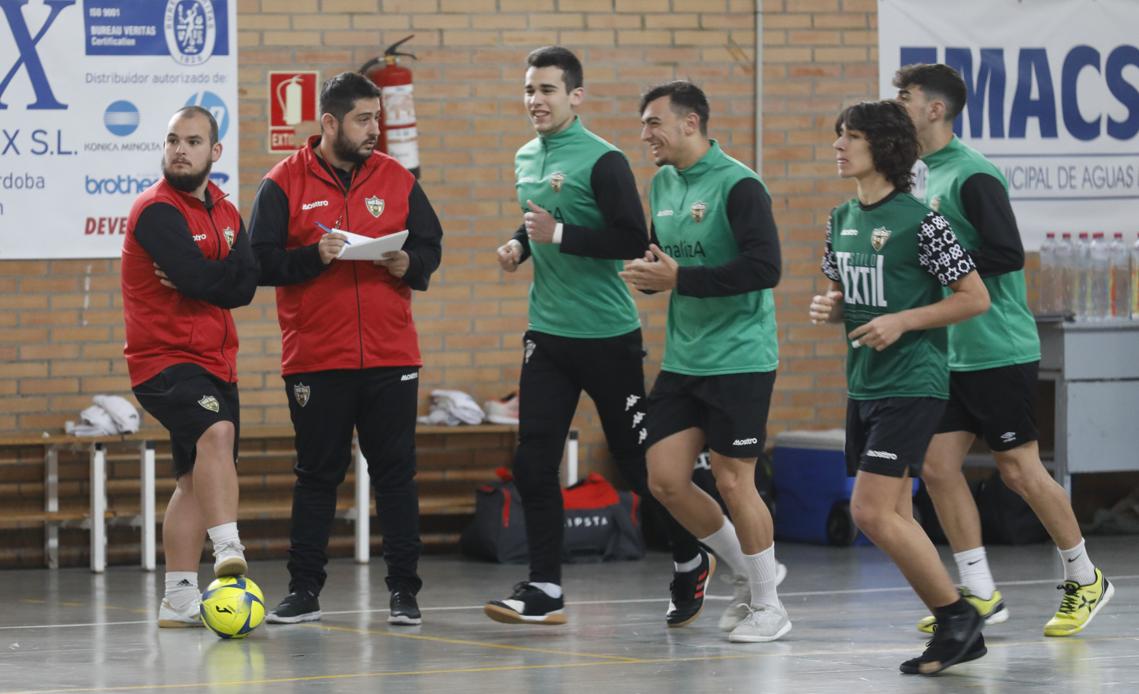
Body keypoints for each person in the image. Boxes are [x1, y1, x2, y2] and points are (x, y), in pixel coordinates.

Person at [483, 47, 707, 628]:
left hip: (607, 337)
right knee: (534, 464)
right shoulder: (525, 156)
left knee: (639, 466)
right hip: (548, 335)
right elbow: (539, 218)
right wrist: (521, 244)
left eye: (548, 90)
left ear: (575, 97)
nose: (536, 100)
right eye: (530, 89)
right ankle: (545, 589)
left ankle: (688, 559)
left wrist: (559, 234)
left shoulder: (603, 160)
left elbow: (632, 239)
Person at [894, 63, 1114, 637]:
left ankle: (1085, 577)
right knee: (938, 468)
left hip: (997, 348)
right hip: (948, 351)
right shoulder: (917, 175)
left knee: (1019, 470)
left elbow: (1007, 254)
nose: (897, 104)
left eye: (905, 96)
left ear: (935, 109)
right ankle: (980, 591)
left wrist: (940, 263)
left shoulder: (972, 174)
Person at [250, 71, 443, 626]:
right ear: (329, 122)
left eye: (377, 118)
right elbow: (259, 264)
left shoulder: (396, 178)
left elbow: (430, 244)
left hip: (392, 356)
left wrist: (413, 265)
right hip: (317, 358)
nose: (374, 130)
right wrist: (314, 256)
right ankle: (304, 591)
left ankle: (405, 592)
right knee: (317, 476)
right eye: (363, 119)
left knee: (396, 477)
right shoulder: (282, 183)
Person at [809, 99, 991, 674]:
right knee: (893, 514)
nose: (839, 145)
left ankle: (958, 617)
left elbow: (974, 297)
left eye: (852, 136)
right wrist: (831, 307)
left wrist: (904, 321)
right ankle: (958, 628)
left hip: (914, 382)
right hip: (863, 384)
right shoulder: (839, 219)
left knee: (869, 511)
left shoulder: (923, 221)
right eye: (838, 134)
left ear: (882, 148)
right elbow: (847, 293)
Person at [621, 80, 788, 643]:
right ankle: (746, 568)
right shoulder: (662, 183)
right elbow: (663, 260)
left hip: (740, 357)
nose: (646, 135)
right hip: (686, 358)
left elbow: (765, 269)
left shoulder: (739, 185)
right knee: (665, 479)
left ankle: (769, 604)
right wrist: (650, 278)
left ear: (690, 123)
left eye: (653, 123)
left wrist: (680, 279)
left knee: (735, 480)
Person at [121, 106, 257, 627]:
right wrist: (207, 277)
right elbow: (199, 279)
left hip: (217, 361)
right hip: (163, 361)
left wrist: (206, 276)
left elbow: (243, 285)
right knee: (216, 432)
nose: (180, 149)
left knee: (192, 479)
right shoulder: (155, 210)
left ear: (214, 152)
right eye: (173, 139)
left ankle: (178, 601)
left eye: (193, 141)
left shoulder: (224, 210)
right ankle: (228, 550)